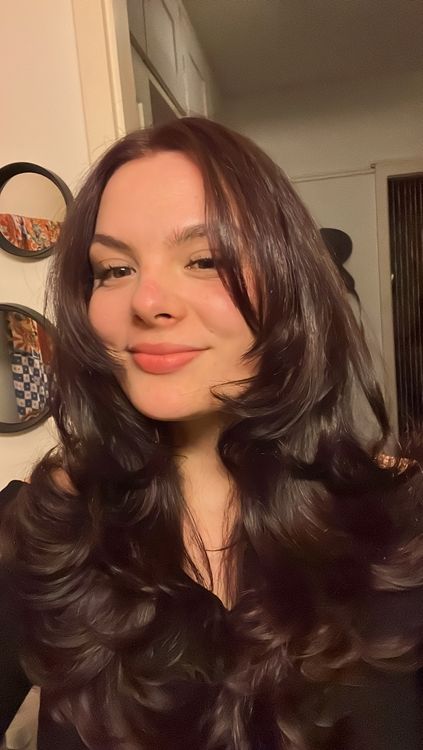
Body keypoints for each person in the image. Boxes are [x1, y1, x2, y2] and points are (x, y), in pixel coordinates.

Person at [0, 117, 422, 750]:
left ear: (289, 285)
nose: (148, 301)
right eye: (113, 269)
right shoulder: (36, 532)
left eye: (204, 260)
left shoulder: (401, 523)